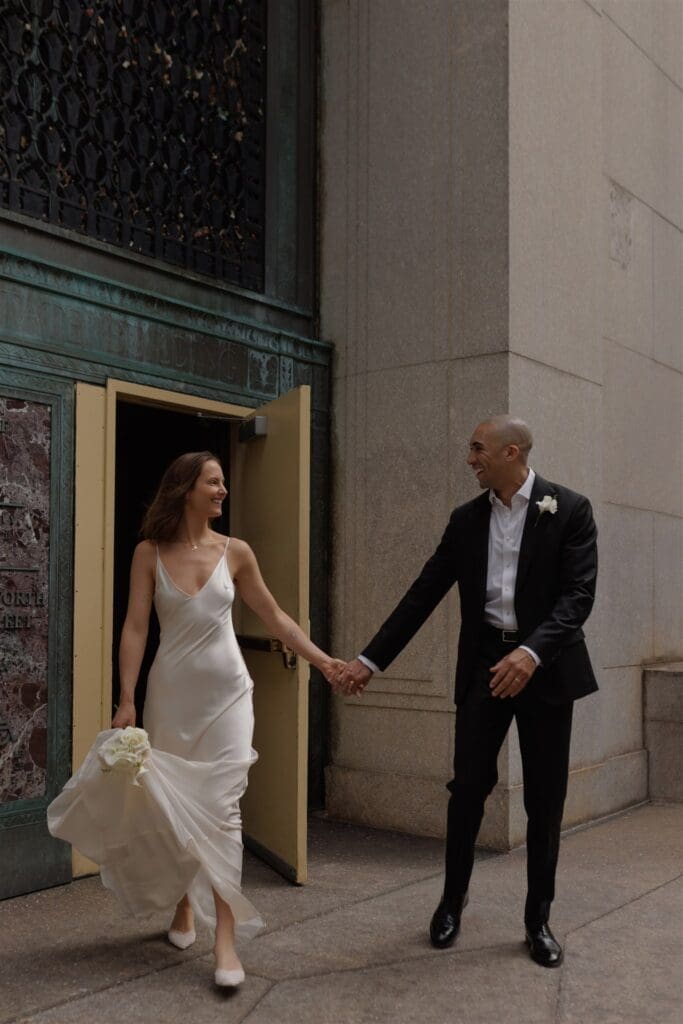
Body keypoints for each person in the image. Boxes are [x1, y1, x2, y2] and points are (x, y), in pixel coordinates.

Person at [49, 451, 345, 989]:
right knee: (173, 808)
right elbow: (135, 627)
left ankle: (224, 940)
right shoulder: (148, 553)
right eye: (213, 482)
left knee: (224, 809)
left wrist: (324, 662)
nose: (222, 490)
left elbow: (275, 616)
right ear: (185, 488)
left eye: (223, 482)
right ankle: (184, 904)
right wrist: (126, 698)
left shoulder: (237, 552)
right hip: (171, 698)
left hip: (228, 696)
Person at [337, 415, 598, 967]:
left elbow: (578, 597)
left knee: (544, 799)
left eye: (478, 449)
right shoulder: (465, 520)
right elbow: (422, 594)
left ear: (511, 453)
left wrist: (531, 653)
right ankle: (451, 904)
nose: (470, 459)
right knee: (468, 789)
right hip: (484, 666)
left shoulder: (570, 509)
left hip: (546, 668)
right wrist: (369, 661)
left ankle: (538, 921)